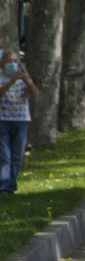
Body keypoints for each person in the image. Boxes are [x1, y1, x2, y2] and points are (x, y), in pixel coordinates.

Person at [0, 50, 37, 195]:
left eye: (16, 62)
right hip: (3, 120)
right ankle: (3, 188)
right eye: (9, 62)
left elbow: (34, 94)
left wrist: (27, 81)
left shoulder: (23, 78)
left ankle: (11, 186)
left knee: (16, 156)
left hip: (21, 120)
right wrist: (11, 81)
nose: (13, 65)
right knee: (5, 156)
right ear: (2, 65)